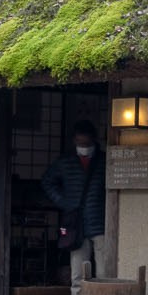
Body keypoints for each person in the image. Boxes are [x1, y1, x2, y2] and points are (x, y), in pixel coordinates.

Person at [43, 119, 107, 284]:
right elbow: (47, 181)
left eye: (86, 142)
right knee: (77, 275)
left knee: (105, 274)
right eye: (80, 142)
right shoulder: (65, 162)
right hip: (74, 223)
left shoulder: (104, 161)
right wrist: (64, 202)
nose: (83, 146)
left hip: (101, 222)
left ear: (94, 139)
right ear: (74, 141)